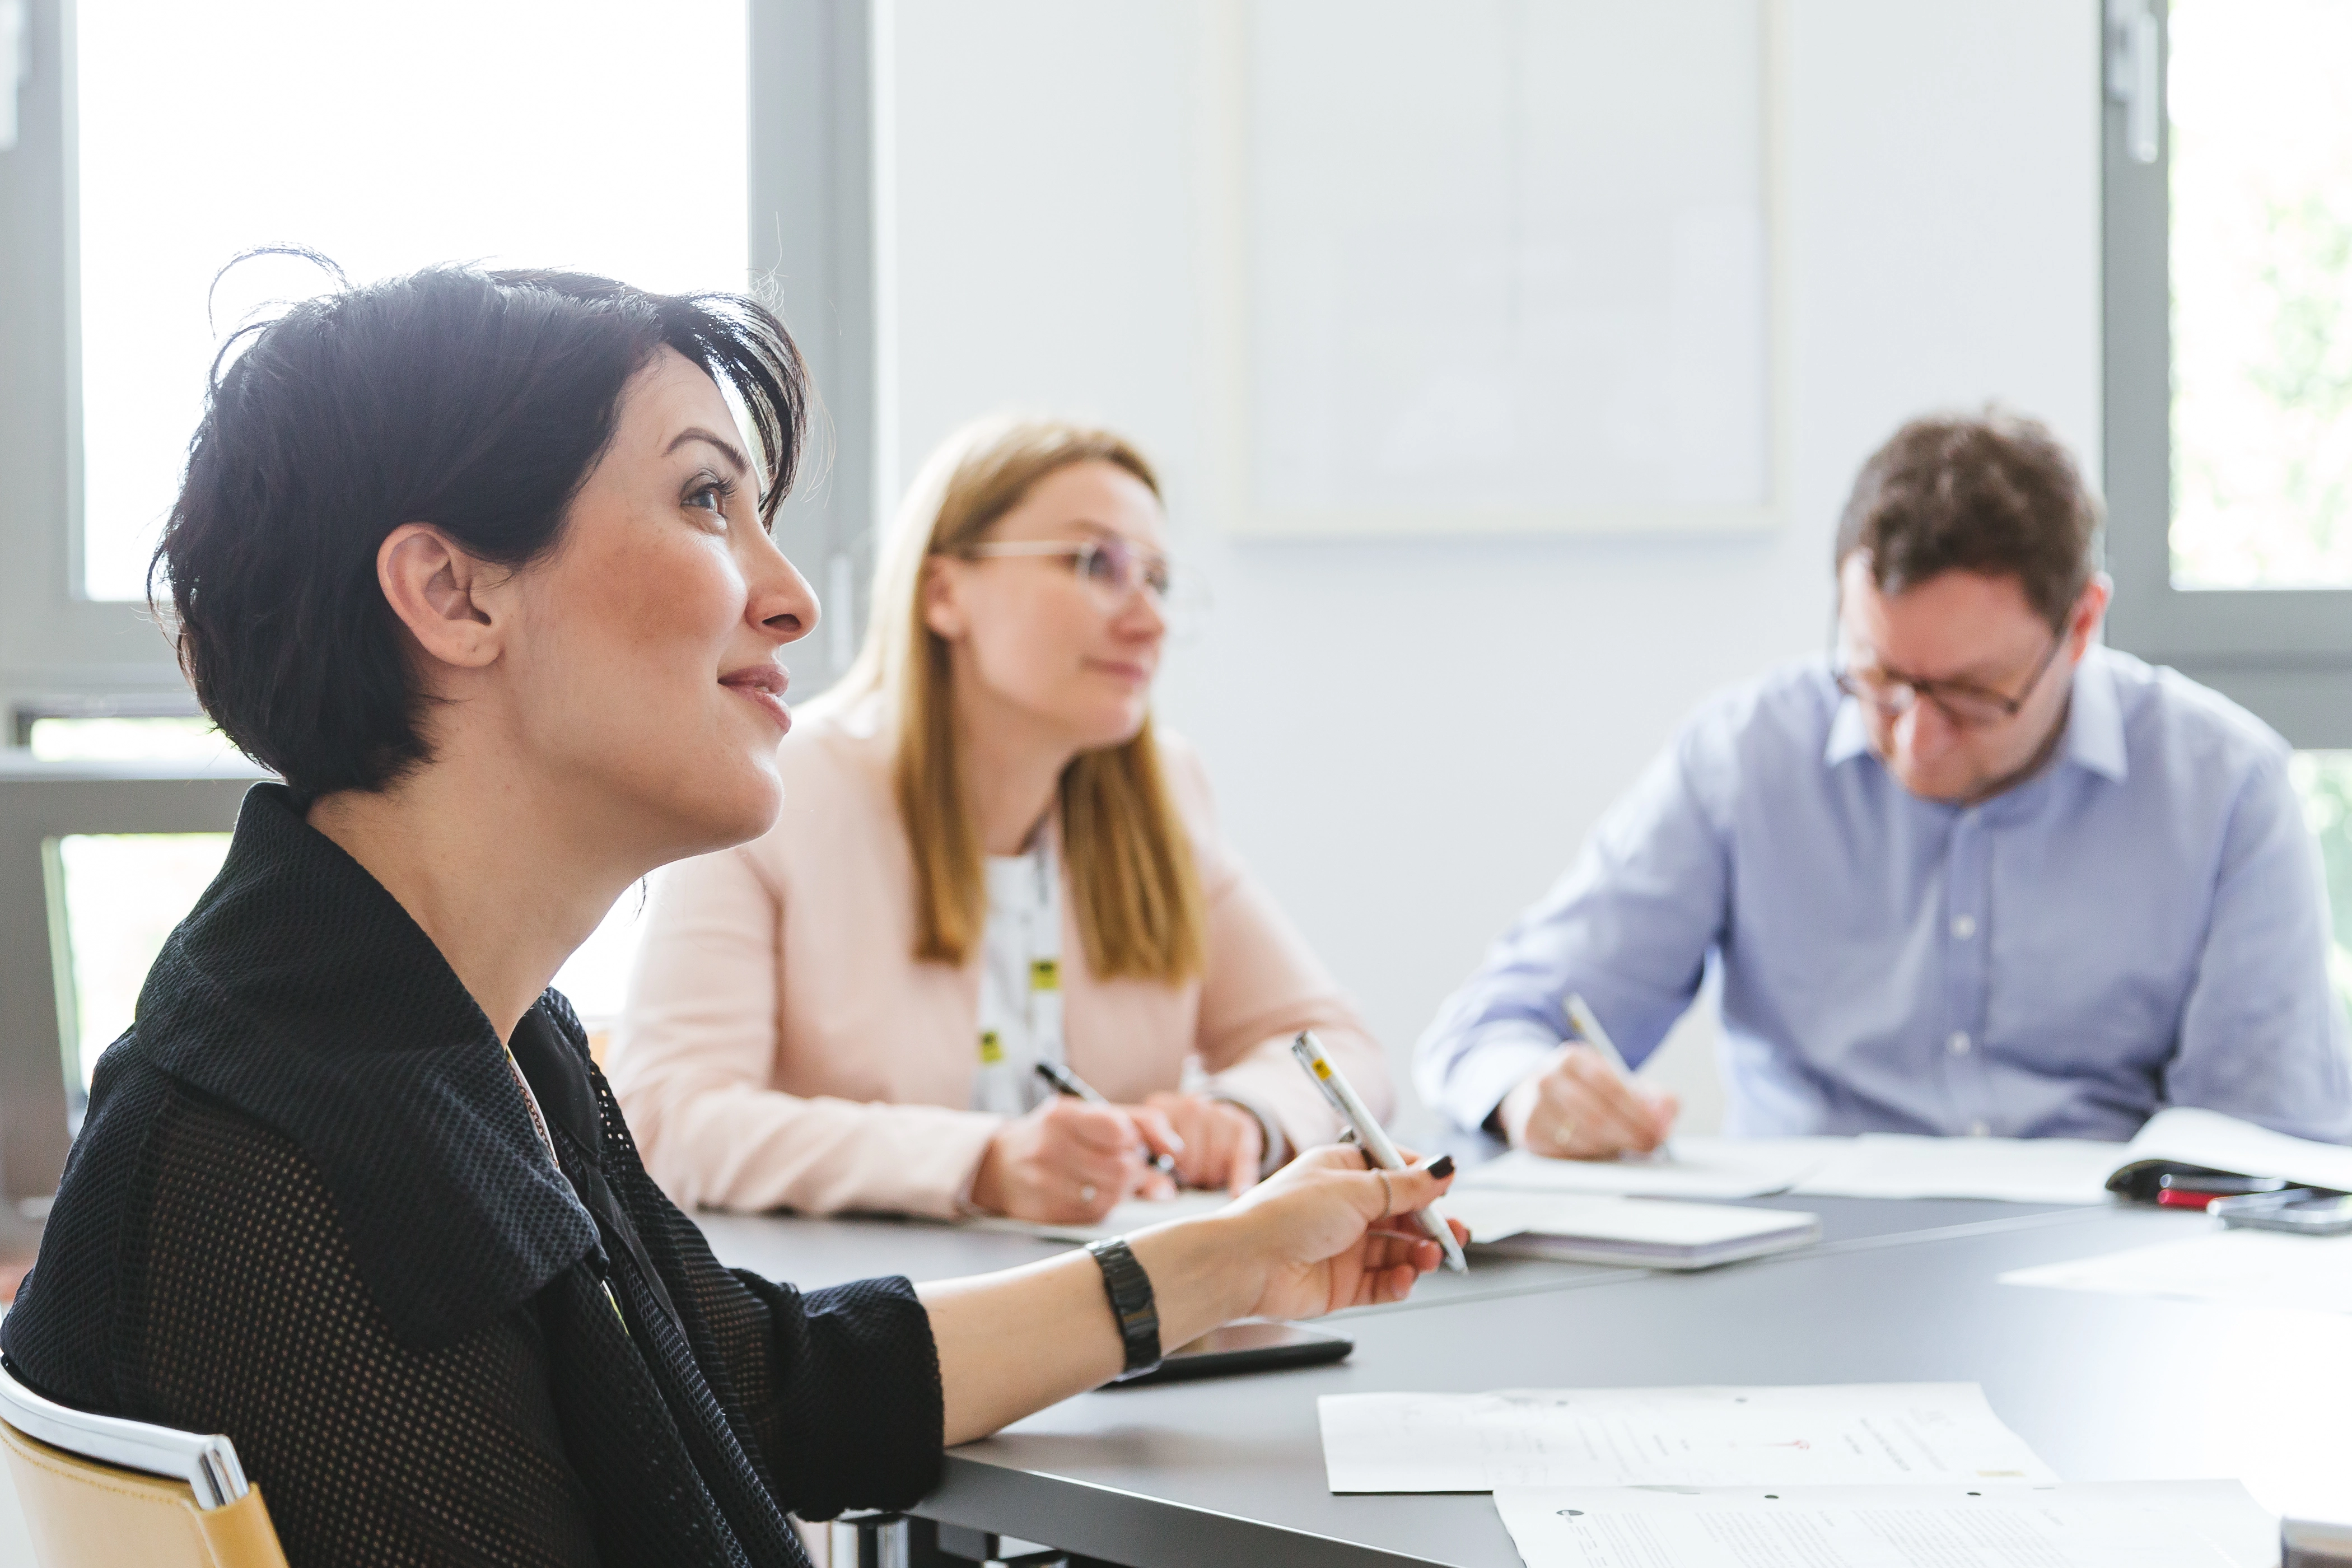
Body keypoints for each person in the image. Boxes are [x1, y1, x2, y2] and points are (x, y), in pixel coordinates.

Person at [0, 265, 1461, 1568]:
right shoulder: (311, 1183)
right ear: (450, 592)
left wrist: (1222, 1261)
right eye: (707, 499)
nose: (788, 600)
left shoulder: (446, 1035)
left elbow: (755, 1386)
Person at [1418, 409, 2352, 1158]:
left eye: (1974, 696)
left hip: (2108, 1277)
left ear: (2082, 626)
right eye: (1878, 681)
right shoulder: (1747, 756)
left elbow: (2264, 1149)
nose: (1916, 740)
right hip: (1798, 1269)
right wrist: (1527, 1088)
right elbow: (1492, 1026)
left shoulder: (2226, 790)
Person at [610, 414, 1388, 1224]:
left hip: (1131, 1302)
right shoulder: (776, 790)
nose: (1148, 620)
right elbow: (668, 1116)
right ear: (945, 594)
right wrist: (980, 1164)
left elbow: (1341, 1050)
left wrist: (1244, 1116)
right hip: (862, 1315)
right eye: (1097, 564)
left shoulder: (1165, 787)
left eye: (1155, 579)